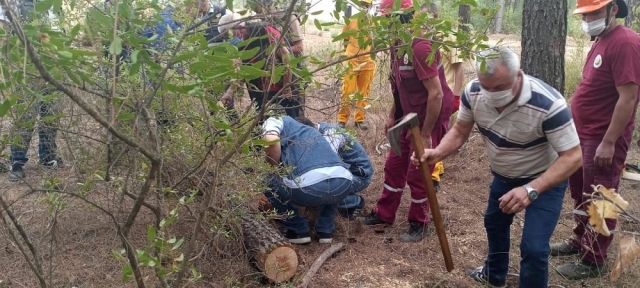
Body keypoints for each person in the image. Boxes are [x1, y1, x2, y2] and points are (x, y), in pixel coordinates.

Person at [412, 46, 582, 288]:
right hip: (504, 176)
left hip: (543, 180)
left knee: (533, 247)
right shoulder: (473, 92)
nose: (492, 94)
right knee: (494, 224)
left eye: (500, 87)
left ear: (518, 75)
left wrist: (531, 189)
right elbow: (460, 131)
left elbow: (573, 156)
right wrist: (438, 153)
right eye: (486, 86)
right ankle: (495, 275)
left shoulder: (548, 103)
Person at [551, 0, 640, 280]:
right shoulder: (601, 39)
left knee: (602, 195)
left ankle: (595, 257)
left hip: (602, 137)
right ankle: (580, 240)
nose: (588, 19)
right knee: (580, 190)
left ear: (613, 9)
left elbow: (628, 97)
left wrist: (609, 141)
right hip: (581, 134)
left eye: (594, 13)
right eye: (585, 14)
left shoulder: (625, 42)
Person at [360, 0, 453, 243]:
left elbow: (436, 94)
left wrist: (425, 134)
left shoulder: (420, 47)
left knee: (419, 172)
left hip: (427, 119)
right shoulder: (396, 46)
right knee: (394, 166)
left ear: (404, 19)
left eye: (389, 20)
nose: (385, 25)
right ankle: (384, 214)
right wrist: (393, 114)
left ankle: (419, 222)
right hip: (407, 116)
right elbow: (398, 85)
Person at [262, 115, 353, 244]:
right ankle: (325, 230)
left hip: (310, 188)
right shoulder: (311, 131)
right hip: (343, 183)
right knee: (330, 177)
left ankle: (297, 230)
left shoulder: (275, 120)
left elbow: (270, 139)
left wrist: (273, 169)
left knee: (267, 179)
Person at [7, 0, 66, 181]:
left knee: (50, 112)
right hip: (27, 68)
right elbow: (5, 32)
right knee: (26, 114)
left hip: (53, 67)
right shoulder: (16, 2)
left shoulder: (56, 6)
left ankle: (48, 157)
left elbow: (60, 36)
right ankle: (17, 162)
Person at [421, 2, 464, 190]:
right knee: (432, 131)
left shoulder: (449, 37)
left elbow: (459, 68)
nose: (423, 22)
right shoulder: (421, 38)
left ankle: (434, 175)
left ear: (435, 17)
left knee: (437, 133)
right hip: (429, 94)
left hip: (444, 94)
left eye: (426, 18)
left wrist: (456, 95)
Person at [217, 14, 295, 118]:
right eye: (227, 37)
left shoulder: (264, 30)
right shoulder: (242, 45)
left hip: (279, 89)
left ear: (237, 27)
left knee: (286, 123)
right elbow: (243, 72)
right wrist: (229, 93)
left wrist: (287, 85)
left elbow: (286, 57)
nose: (231, 38)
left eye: (229, 34)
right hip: (261, 92)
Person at [296, 117, 373, 220]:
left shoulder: (331, 134)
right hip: (347, 171)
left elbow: (327, 165)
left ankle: (355, 201)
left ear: (312, 129)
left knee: (323, 192)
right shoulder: (317, 133)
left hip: (359, 176)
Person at [248, 0, 306, 116]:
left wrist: (278, 51)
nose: (257, 15)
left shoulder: (289, 18)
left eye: (258, 11)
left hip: (293, 73)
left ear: (267, 7)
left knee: (294, 111)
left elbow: (299, 47)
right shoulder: (265, 22)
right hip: (278, 76)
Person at [337, 0, 376, 130]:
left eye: (367, 5)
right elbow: (345, 40)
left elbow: (377, 42)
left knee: (364, 92)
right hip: (351, 62)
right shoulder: (350, 20)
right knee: (348, 91)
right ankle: (342, 120)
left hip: (368, 63)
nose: (364, 7)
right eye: (362, 4)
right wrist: (350, 55)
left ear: (370, 6)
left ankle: (359, 120)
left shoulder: (374, 22)